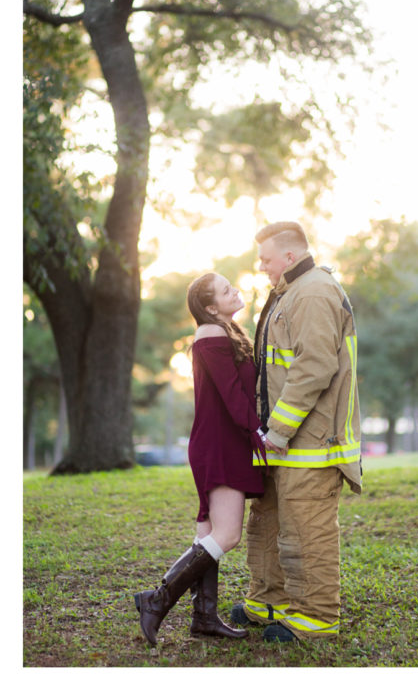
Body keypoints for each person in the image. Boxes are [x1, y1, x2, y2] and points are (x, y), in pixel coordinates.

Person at [232, 221, 363, 642]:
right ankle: (269, 600)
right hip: (280, 442)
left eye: (266, 259)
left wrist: (279, 432)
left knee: (308, 527)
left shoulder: (313, 292)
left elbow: (313, 369)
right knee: (267, 520)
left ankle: (318, 617)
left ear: (290, 256)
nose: (261, 267)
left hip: (311, 443)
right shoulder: (290, 292)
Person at [135, 273, 267, 646]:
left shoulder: (225, 330)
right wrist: (257, 432)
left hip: (219, 441)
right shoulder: (211, 334)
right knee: (228, 535)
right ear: (210, 307)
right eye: (226, 291)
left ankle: (204, 618)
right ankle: (156, 601)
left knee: (208, 535)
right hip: (220, 444)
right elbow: (230, 393)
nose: (235, 290)